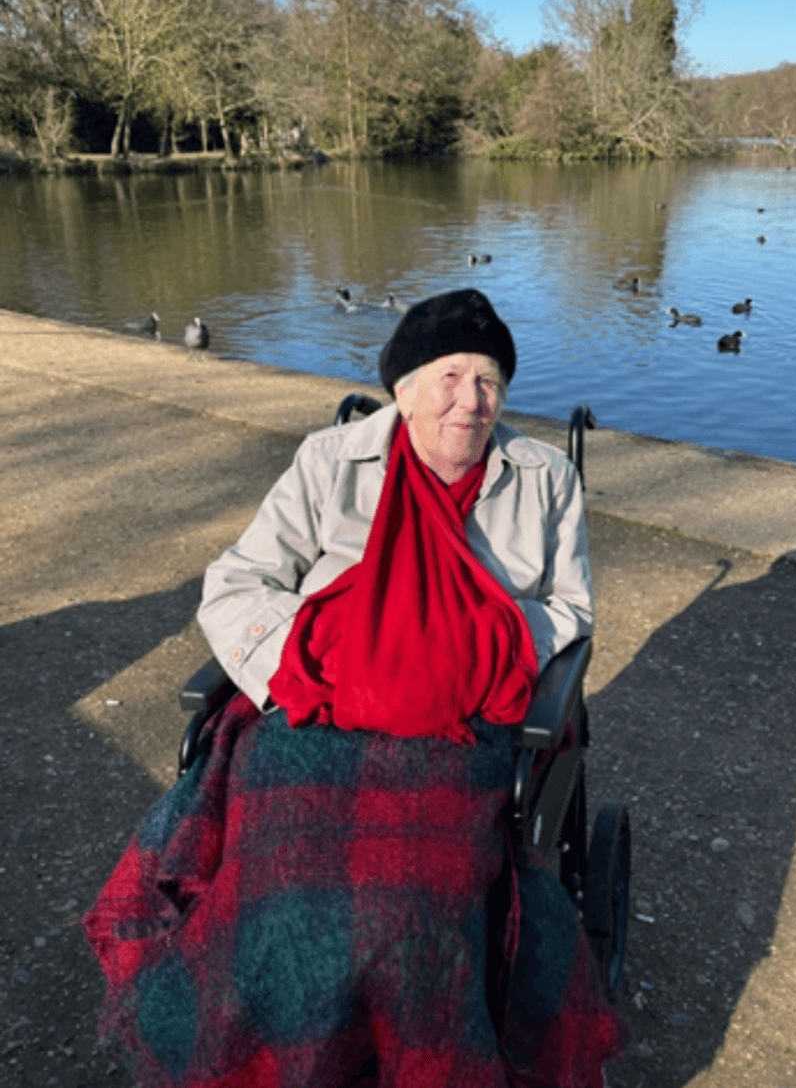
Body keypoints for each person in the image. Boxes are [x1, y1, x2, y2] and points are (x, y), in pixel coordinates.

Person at [84, 289, 627, 1088]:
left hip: (463, 719)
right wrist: (313, 657)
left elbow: (570, 609)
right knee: (280, 882)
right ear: (402, 389)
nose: (470, 401)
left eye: (488, 382)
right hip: (318, 704)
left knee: (416, 898)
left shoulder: (542, 478)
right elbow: (236, 584)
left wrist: (477, 645)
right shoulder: (329, 462)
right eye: (449, 377)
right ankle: (275, 1055)